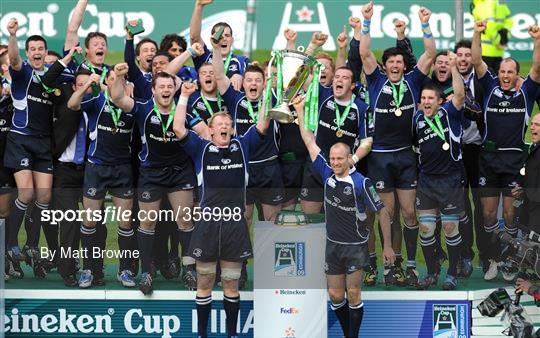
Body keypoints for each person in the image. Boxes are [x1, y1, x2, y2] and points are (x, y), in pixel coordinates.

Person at [173, 81, 271, 338]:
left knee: (230, 283)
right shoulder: (201, 149)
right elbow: (177, 127)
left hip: (234, 225)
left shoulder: (243, 147)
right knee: (204, 282)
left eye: (228, 124)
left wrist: (270, 88)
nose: (224, 127)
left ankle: (231, 334)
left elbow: (262, 124)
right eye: (219, 125)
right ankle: (203, 334)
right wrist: (183, 96)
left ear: (233, 130)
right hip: (207, 225)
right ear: (211, 132)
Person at [293, 94, 394, 338]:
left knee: (354, 293)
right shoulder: (326, 173)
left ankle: (352, 336)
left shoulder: (362, 182)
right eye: (333, 158)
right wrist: (299, 112)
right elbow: (309, 139)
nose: (336, 162)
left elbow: (382, 212)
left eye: (340, 158)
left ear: (350, 159)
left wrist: (387, 247)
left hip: (355, 247)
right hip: (332, 246)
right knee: (336, 296)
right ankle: (349, 331)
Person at [110, 66, 208, 294]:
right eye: (161, 87)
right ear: (152, 90)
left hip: (179, 173)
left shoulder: (183, 111)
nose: (165, 90)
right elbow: (117, 97)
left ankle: (190, 270)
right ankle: (146, 272)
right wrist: (119, 75)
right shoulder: (144, 109)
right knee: (147, 223)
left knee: (185, 221)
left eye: (169, 87)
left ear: (175, 90)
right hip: (151, 173)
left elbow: (205, 132)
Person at [359, 1, 437, 286]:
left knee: (409, 213)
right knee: (387, 215)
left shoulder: (415, 80)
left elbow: (430, 53)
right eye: (390, 62)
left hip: (405, 156)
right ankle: (390, 265)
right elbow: (364, 51)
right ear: (384, 66)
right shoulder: (375, 80)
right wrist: (367, 21)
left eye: (399, 62)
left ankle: (411, 263)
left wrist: (424, 23)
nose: (395, 65)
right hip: (379, 157)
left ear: (405, 65)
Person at [472, 22, 540, 280]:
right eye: (502, 71)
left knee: (511, 215)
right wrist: (477, 32)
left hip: (514, 162)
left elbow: (537, 67)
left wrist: (537, 39)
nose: (505, 75)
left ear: (517, 74)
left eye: (510, 72)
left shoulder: (527, 94)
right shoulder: (489, 88)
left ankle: (510, 259)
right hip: (488, 162)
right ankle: (493, 259)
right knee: (489, 214)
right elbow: (477, 60)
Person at [67, 68, 137, 289]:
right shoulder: (97, 101)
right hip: (96, 167)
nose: (118, 84)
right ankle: (88, 270)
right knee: (90, 221)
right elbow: (71, 104)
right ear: (106, 83)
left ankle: (125, 269)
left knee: (125, 223)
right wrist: (88, 84)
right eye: (113, 79)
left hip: (122, 169)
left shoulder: (133, 106)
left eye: (122, 81)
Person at [4, 19, 57, 279]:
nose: (37, 52)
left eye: (41, 48)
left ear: (46, 53)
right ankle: (11, 244)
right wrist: (13, 35)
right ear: (28, 53)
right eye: (32, 48)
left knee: (44, 197)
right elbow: (13, 61)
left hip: (44, 144)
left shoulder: (51, 77)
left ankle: (32, 245)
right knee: (26, 192)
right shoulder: (22, 71)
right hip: (21, 139)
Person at [414, 52, 466, 290]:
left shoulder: (450, 114)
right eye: (423, 98)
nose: (426, 102)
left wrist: (454, 67)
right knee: (426, 230)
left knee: (449, 228)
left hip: (450, 180)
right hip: (426, 181)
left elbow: (459, 94)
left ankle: (452, 273)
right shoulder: (417, 120)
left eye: (430, 98)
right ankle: (432, 271)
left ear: (439, 101)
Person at [189, 0, 249, 90]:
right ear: (212, 39)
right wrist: (199, 7)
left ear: (232, 40)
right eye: (219, 36)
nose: (223, 39)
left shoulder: (242, 61)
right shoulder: (204, 57)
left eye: (227, 36)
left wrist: (241, 77)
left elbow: (253, 81)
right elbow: (194, 37)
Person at [513, 113, 540, 232]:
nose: (532, 127)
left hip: (537, 207)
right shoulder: (534, 148)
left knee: (533, 243)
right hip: (531, 202)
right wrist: (522, 189)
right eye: (532, 124)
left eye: (537, 125)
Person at [471, 0, 513, 72]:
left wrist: (499, 41)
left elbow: (489, 25)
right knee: (496, 81)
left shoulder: (485, 3)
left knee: (485, 80)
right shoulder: (498, 2)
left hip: (486, 51)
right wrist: (503, 39)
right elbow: (509, 22)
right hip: (495, 51)